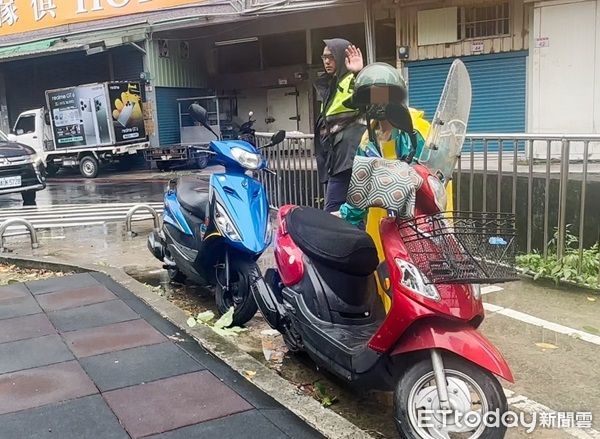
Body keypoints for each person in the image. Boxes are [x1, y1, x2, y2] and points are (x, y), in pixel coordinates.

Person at [337, 62, 431, 227]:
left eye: (382, 95)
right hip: (382, 228)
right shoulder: (367, 141)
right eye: (370, 97)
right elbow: (361, 189)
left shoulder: (416, 132)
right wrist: (341, 215)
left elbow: (428, 180)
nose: (377, 102)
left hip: (419, 228)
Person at [314, 39, 366, 212]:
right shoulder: (332, 85)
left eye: (331, 56)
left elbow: (379, 96)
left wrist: (359, 74)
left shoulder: (351, 80)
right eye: (324, 57)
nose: (327, 61)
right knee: (350, 212)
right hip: (337, 156)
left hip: (349, 156)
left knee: (334, 209)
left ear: (342, 57)